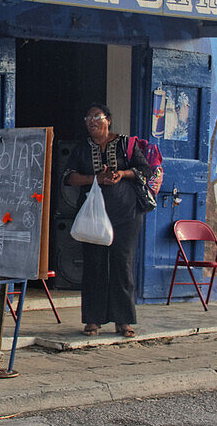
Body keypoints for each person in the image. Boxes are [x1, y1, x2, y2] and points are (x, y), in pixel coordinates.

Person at [65, 104, 155, 338]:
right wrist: (96, 178)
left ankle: (123, 320)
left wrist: (121, 174)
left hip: (125, 214)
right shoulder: (82, 149)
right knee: (94, 264)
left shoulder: (126, 144)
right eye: (88, 117)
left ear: (109, 120)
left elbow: (145, 170)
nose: (91, 121)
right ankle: (93, 320)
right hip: (93, 215)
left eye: (97, 117)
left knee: (122, 263)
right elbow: (69, 177)